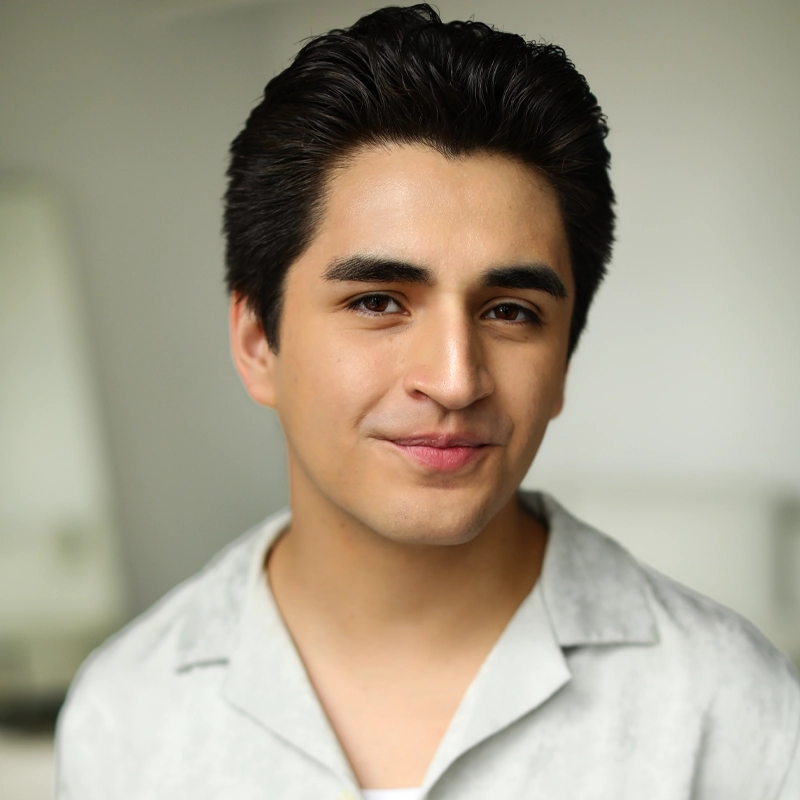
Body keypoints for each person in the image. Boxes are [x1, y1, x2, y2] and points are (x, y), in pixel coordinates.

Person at [55, 5, 799, 798]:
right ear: (256, 343)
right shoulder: (127, 715)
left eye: (511, 311)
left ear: (564, 360)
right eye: (378, 301)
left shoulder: (727, 708)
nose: (454, 378)